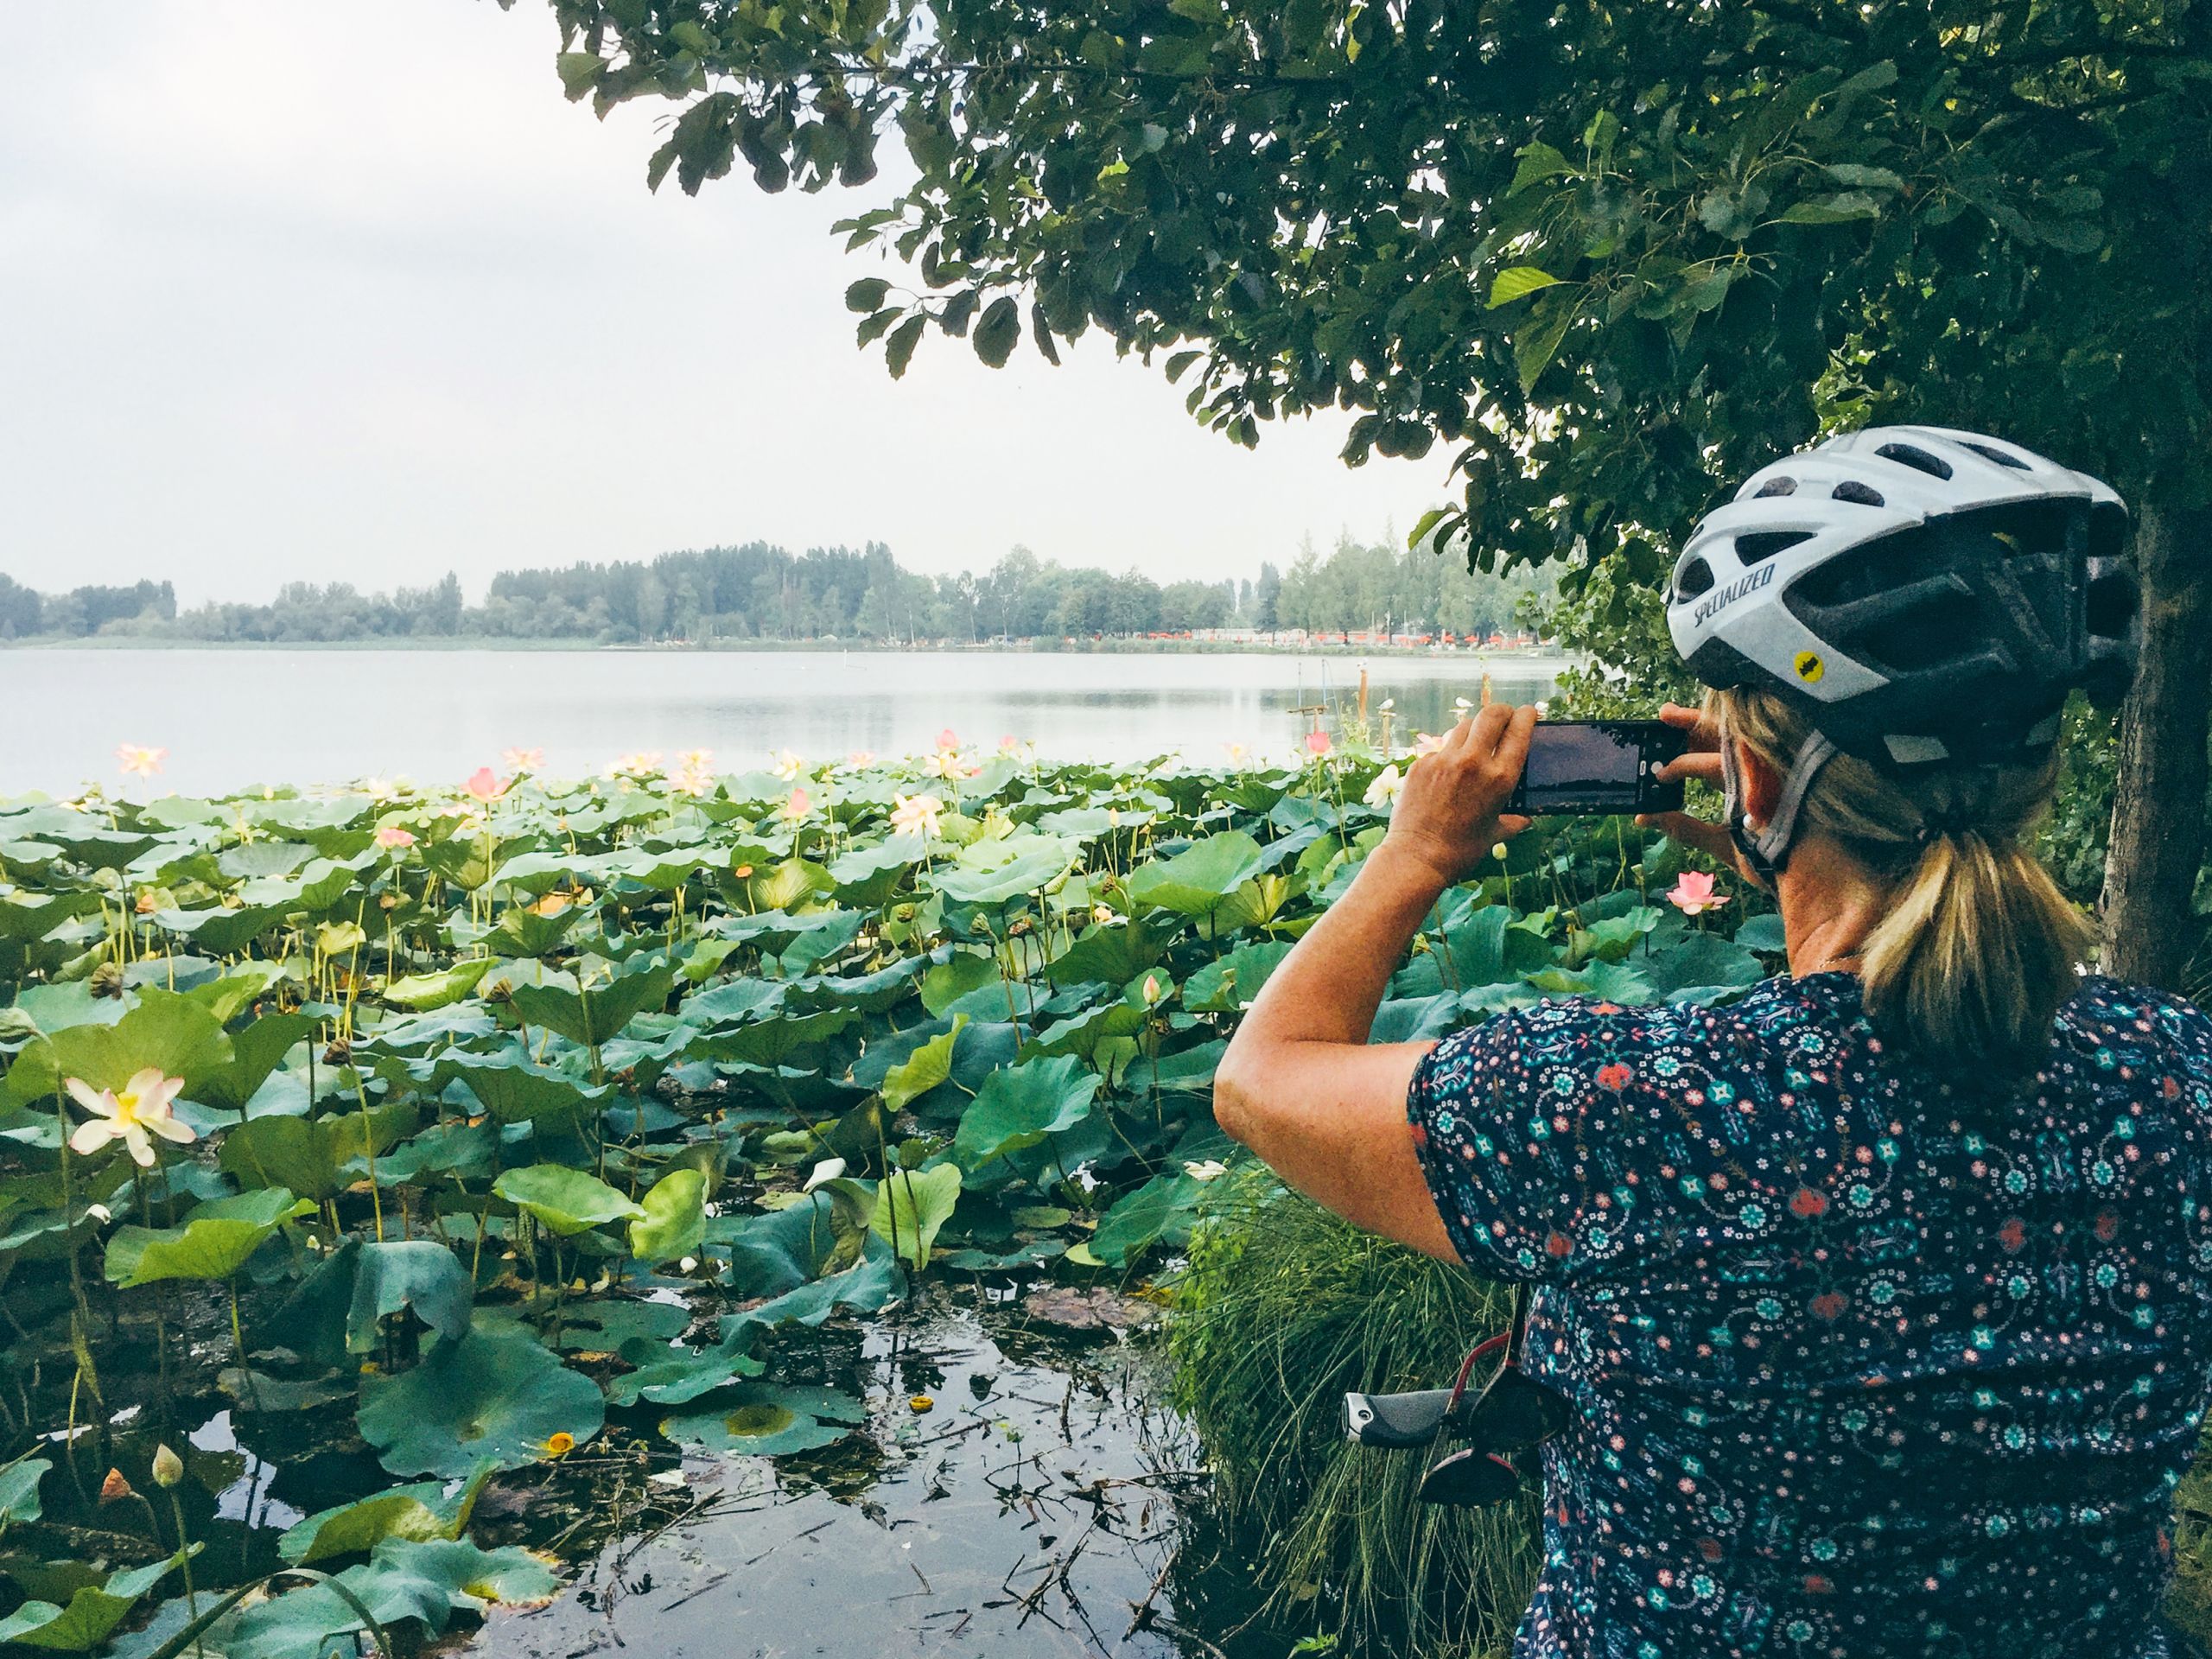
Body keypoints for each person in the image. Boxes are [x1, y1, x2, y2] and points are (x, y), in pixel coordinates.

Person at [1214, 426, 2212, 1658]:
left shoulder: (1633, 1108)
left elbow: (1263, 1082)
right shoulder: (2177, 1077)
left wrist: (1417, 852)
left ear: (1746, 770)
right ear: (2043, 764)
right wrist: (1786, 852)